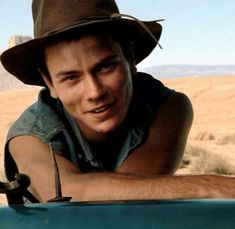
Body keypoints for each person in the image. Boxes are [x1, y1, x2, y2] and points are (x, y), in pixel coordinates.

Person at [1, 0, 234, 203]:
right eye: (71, 78)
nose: (94, 91)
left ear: (130, 58)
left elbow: (131, 196)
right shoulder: (28, 137)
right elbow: (73, 194)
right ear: (49, 82)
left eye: (105, 66)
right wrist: (210, 185)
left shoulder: (166, 107)